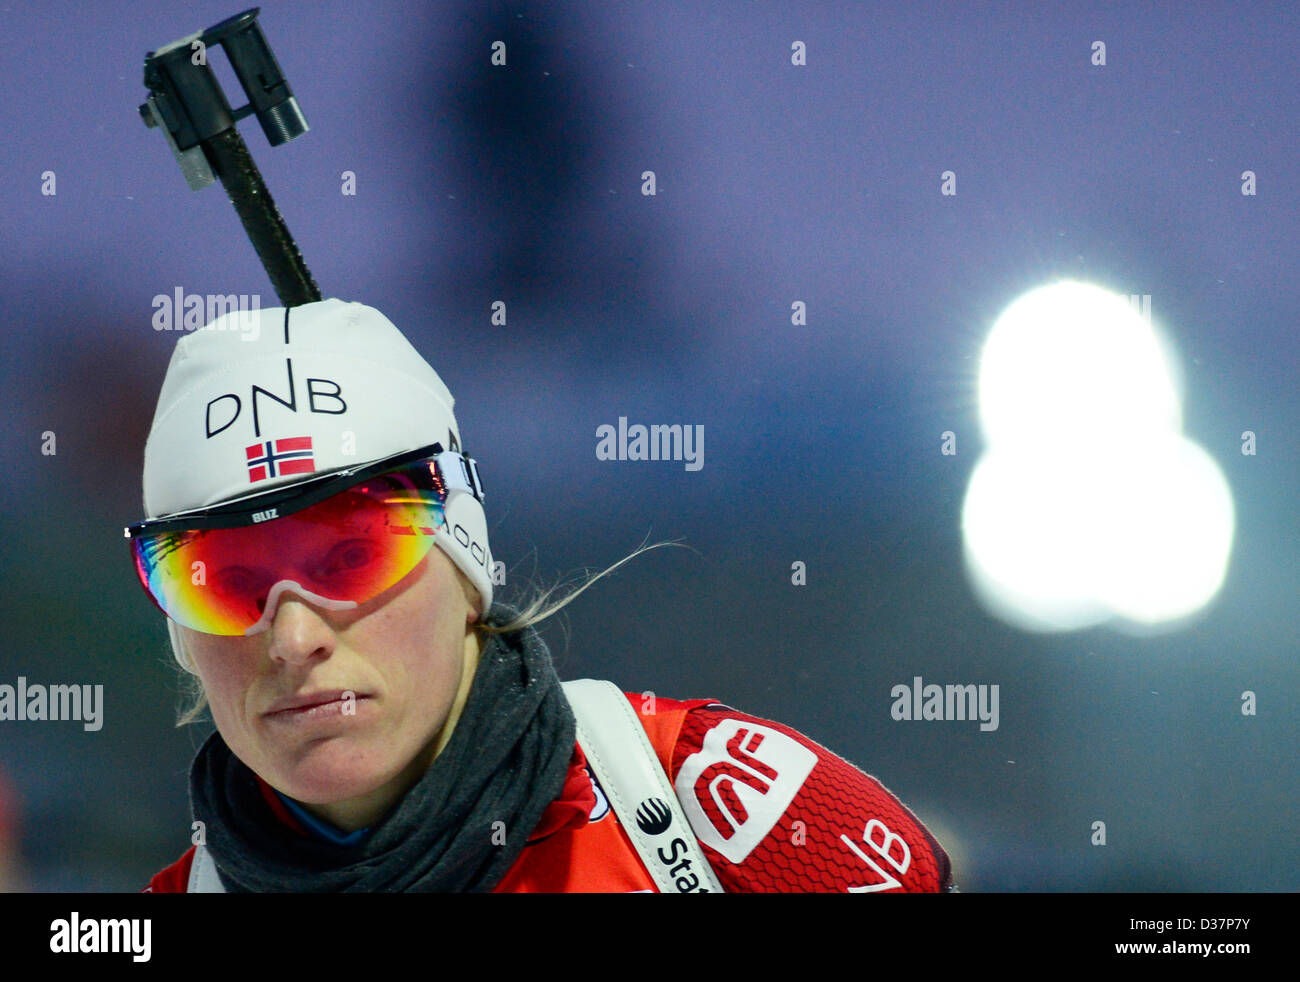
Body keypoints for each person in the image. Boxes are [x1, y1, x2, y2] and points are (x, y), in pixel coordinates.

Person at [130, 298, 955, 893]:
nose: (293, 635)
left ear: (464, 567)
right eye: (223, 581)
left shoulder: (729, 816)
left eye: (351, 554)